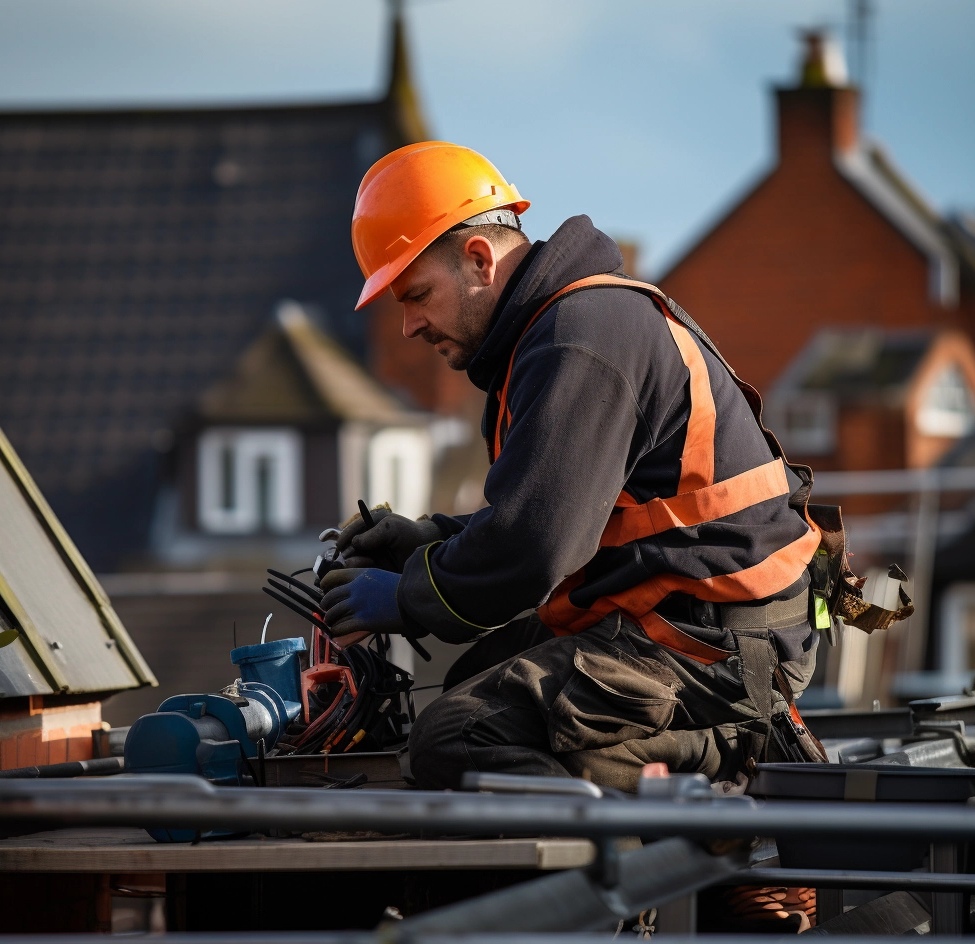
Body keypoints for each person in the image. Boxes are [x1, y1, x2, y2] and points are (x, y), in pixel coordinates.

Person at [319, 141, 823, 792]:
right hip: (682, 620)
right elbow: (563, 514)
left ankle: (726, 773)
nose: (410, 325)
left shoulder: (577, 341)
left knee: (453, 740)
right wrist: (433, 540)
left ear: (477, 259)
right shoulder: (552, 336)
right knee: (471, 681)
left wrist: (409, 597)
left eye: (417, 295)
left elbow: (533, 549)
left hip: (716, 650)